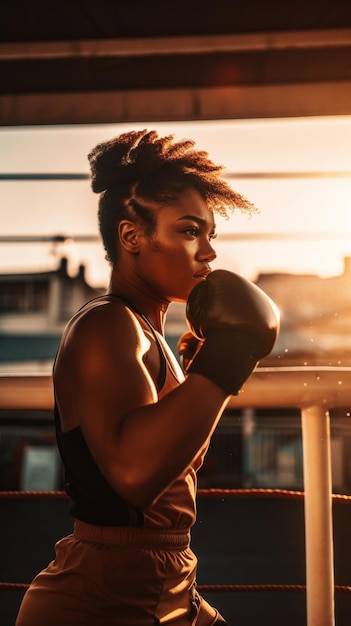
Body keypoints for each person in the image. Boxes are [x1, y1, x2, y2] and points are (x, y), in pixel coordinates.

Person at [16, 129, 279, 625]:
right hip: (103, 597)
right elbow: (136, 477)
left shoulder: (149, 336)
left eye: (209, 234)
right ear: (132, 237)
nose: (208, 252)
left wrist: (204, 371)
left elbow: (176, 465)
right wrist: (226, 359)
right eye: (187, 231)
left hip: (166, 579)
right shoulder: (107, 324)